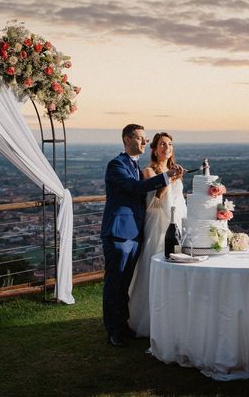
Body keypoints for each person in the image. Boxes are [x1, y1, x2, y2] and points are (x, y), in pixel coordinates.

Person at [100, 124, 183, 347]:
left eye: (145, 139)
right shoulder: (116, 165)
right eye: (140, 139)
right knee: (114, 284)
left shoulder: (136, 167)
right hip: (119, 233)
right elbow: (134, 187)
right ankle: (114, 331)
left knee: (126, 284)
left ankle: (124, 325)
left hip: (136, 233)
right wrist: (166, 177)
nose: (144, 142)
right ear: (126, 140)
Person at [128, 132, 187, 337]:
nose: (167, 147)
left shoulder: (174, 171)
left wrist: (174, 177)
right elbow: (157, 199)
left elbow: (178, 200)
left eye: (170, 144)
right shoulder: (149, 171)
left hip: (174, 220)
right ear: (154, 149)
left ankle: (173, 316)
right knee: (153, 264)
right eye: (162, 144)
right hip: (157, 222)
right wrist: (168, 179)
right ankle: (149, 318)